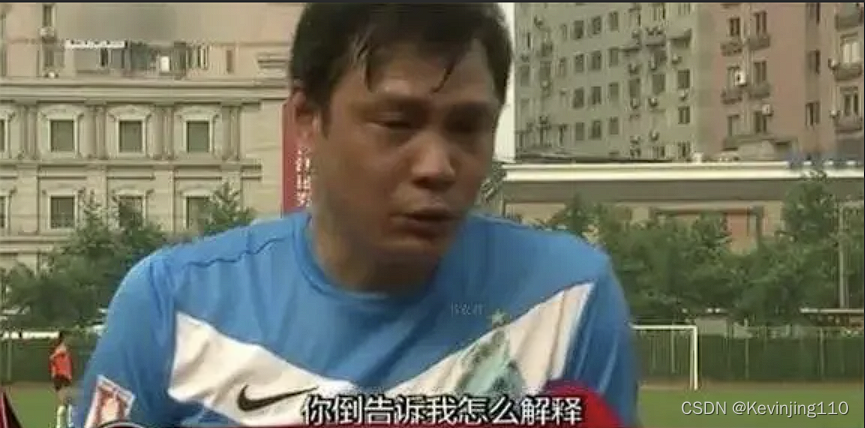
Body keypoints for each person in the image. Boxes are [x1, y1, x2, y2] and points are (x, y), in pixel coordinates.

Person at [75, 4, 638, 428]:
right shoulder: (170, 306)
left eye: (468, 127)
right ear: (307, 119)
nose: (437, 166)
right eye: (396, 123)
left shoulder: (568, 302)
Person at [49, 331, 74, 428]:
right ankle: (61, 425)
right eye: (69, 337)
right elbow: (52, 358)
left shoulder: (63, 349)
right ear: (64, 338)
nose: (70, 339)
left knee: (68, 402)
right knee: (65, 402)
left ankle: (67, 424)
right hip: (61, 377)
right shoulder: (62, 348)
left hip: (63, 378)